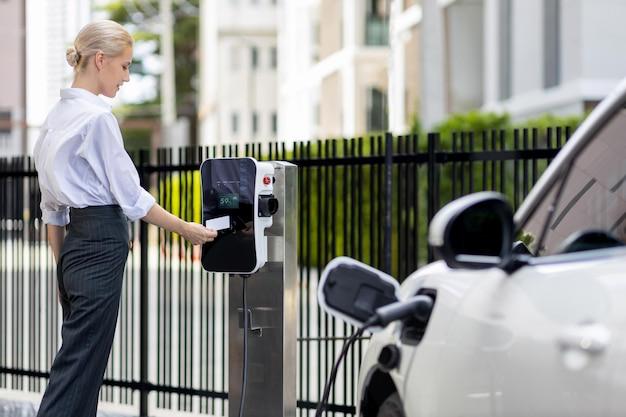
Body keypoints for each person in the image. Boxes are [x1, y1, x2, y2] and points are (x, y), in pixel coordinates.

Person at [32, 20, 217, 417]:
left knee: (78, 364)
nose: (127, 78)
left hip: (75, 251)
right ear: (100, 60)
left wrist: (60, 269)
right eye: (125, 66)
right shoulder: (97, 119)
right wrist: (187, 230)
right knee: (80, 369)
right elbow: (133, 198)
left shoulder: (52, 121)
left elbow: (53, 211)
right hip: (98, 249)